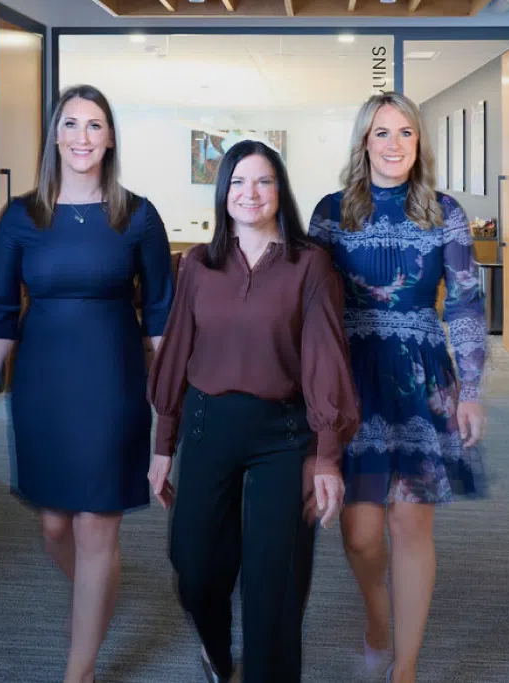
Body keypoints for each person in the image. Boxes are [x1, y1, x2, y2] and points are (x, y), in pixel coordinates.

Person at [0, 84, 174, 683]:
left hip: (111, 380)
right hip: (42, 384)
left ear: (109, 139)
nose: (82, 137)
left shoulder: (137, 215)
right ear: (55, 135)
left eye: (95, 125)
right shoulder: (21, 218)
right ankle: (98, 588)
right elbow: (1, 311)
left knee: (94, 526)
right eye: (72, 124)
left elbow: (161, 313)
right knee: (54, 524)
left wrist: (175, 403)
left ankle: (77, 671)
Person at [147, 140, 359, 683]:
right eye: (238, 182)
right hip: (206, 424)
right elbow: (175, 352)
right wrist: (162, 445)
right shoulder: (197, 264)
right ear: (223, 195)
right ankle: (218, 655)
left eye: (263, 182)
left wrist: (327, 455)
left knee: (275, 584)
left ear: (280, 192)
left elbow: (324, 359)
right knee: (193, 567)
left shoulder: (309, 265)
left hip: (282, 435)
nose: (251, 193)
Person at [308, 92, 488, 683]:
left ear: (419, 142)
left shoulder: (445, 211)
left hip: (421, 376)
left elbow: (464, 300)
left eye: (405, 133)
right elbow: (312, 307)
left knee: (412, 522)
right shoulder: (331, 212)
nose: (393, 145)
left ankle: (404, 668)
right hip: (353, 373)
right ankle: (377, 619)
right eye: (381, 133)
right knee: (360, 534)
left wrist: (472, 388)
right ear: (364, 142)